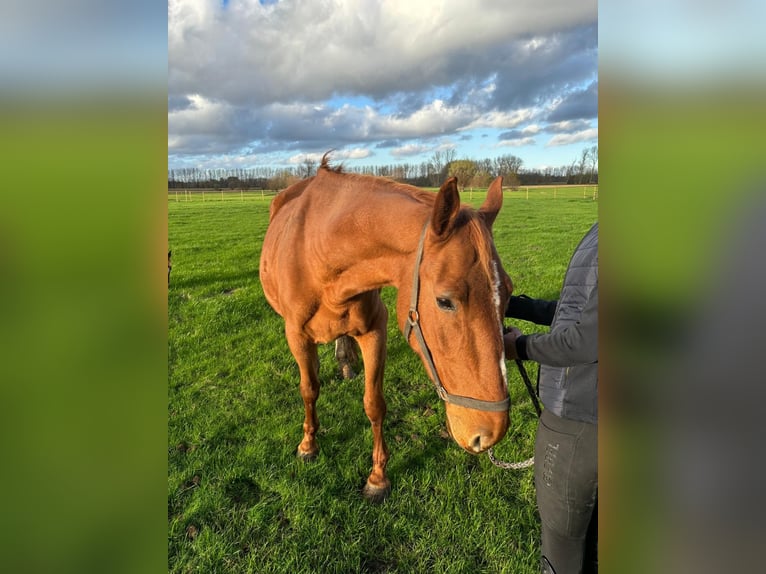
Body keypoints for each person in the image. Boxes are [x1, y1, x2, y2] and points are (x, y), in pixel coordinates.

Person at [504, 222, 598, 574]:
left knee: (562, 547)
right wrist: (516, 306)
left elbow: (587, 339)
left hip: (580, 417)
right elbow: (578, 308)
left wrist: (520, 347)